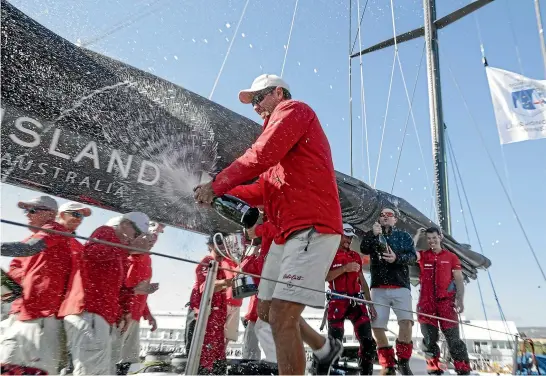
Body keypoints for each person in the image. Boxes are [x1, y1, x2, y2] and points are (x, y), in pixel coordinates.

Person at [194, 74, 343, 375]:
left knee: (283, 314)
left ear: (278, 92)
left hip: (312, 227)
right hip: (284, 233)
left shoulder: (294, 110)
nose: (256, 106)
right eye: (252, 102)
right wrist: (216, 191)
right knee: (265, 311)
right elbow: (262, 189)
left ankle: (318, 354)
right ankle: (324, 349)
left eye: (259, 98)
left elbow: (261, 155)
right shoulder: (277, 139)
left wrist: (218, 184)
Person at [58, 212, 150, 375]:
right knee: (92, 371)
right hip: (89, 312)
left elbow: (116, 290)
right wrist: (127, 248)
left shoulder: (120, 253)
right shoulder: (107, 232)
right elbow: (91, 253)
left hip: (98, 315)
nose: (136, 239)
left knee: (101, 370)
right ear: (125, 224)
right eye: (136, 234)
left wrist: (134, 291)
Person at [0, 196, 72, 375]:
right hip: (19, 314)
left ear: (51, 214)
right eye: (26, 211)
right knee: (7, 370)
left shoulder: (54, 229)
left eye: (33, 210)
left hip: (43, 316)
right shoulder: (31, 238)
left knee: (36, 372)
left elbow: (28, 248)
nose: (27, 215)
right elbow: (14, 277)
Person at [360, 208, 417, 375]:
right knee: (377, 326)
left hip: (401, 286)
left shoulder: (404, 237)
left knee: (406, 322)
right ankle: (388, 363)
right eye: (383, 215)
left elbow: (413, 257)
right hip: (378, 287)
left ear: (395, 220)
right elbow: (364, 249)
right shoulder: (373, 234)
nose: (386, 217)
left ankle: (404, 362)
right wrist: (372, 233)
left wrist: (396, 258)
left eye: (389, 215)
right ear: (379, 219)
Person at [414, 227, 471, 375]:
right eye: (429, 239)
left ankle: (462, 368)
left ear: (440, 237)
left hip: (446, 303)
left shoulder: (451, 257)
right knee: (429, 338)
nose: (432, 241)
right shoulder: (423, 255)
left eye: (434, 238)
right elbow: (408, 253)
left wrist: (460, 299)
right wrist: (417, 235)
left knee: (453, 339)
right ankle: (434, 368)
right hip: (426, 303)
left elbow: (458, 279)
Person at [326, 223, 377, 375]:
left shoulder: (355, 256)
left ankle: (366, 372)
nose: (348, 240)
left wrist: (370, 304)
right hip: (337, 301)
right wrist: (344, 269)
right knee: (335, 342)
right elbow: (325, 277)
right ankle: (333, 371)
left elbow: (363, 281)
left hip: (356, 302)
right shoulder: (329, 254)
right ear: (338, 235)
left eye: (350, 237)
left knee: (368, 342)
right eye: (345, 236)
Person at [114, 222, 163, 375]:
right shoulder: (130, 256)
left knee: (128, 358)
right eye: (149, 238)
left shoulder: (148, 259)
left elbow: (142, 291)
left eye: (155, 238)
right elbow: (121, 287)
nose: (153, 240)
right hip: (123, 314)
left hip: (135, 315)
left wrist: (147, 314)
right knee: (112, 356)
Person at [186, 233, 233, 375]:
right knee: (202, 362)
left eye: (226, 245)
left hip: (216, 322)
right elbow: (206, 287)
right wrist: (227, 282)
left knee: (218, 363)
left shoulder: (221, 266)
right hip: (203, 321)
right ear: (211, 245)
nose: (223, 248)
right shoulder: (207, 262)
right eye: (220, 244)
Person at [56, 201, 93, 375]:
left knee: (65, 361)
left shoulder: (78, 246)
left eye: (82, 217)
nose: (80, 219)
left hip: (68, 309)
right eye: (76, 215)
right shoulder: (48, 235)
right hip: (46, 309)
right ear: (62, 214)